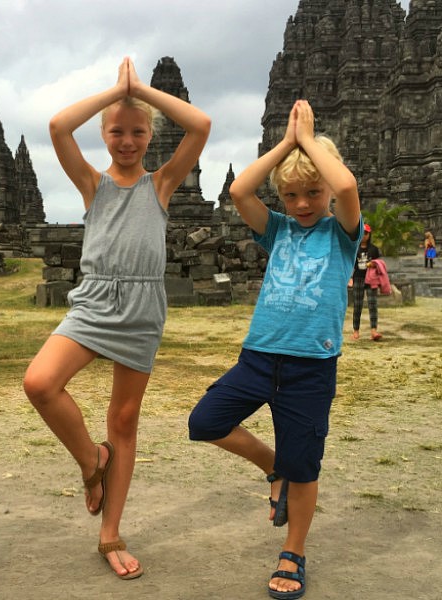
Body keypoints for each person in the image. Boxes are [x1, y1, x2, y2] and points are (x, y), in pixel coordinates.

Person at [23, 57, 210, 580]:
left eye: (137, 131)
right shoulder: (92, 183)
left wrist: (142, 90)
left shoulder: (163, 183)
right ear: (104, 133)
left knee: (124, 420)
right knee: (40, 382)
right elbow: (59, 127)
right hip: (94, 303)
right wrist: (115, 92)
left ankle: (111, 534)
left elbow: (201, 127)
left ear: (151, 135)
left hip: (143, 307)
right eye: (116, 131)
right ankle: (91, 462)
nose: (126, 141)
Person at [188, 99, 361, 599]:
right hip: (259, 357)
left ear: (326, 190)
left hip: (312, 368)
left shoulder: (342, 235)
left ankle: (294, 551)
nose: (302, 203)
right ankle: (272, 467)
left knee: (306, 465)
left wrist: (309, 142)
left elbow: (347, 186)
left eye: (312, 192)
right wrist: (286, 144)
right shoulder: (277, 230)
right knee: (205, 421)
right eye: (290, 194)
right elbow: (240, 190)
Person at [349, 223, 382, 341]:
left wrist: (374, 264)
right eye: (362, 233)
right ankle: (356, 331)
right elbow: (350, 265)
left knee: (372, 304)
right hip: (358, 278)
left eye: (366, 233)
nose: (364, 235)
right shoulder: (354, 248)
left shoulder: (374, 249)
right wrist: (349, 278)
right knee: (357, 305)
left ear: (369, 234)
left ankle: (374, 330)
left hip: (371, 279)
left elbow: (380, 264)